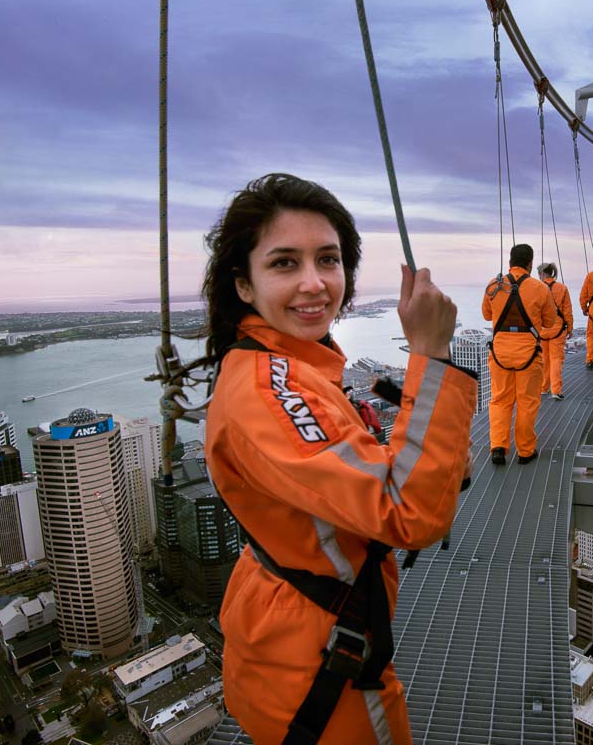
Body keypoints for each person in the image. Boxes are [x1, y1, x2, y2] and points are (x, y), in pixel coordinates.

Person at [203, 174, 477, 744]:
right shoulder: (268, 391)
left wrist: (433, 457)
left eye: (327, 259)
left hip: (299, 636)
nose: (313, 283)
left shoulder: (297, 368)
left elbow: (344, 478)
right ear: (244, 286)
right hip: (318, 667)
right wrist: (431, 354)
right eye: (283, 263)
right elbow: (410, 515)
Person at [482, 243, 558, 465]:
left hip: (500, 354)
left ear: (509, 262)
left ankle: (498, 446)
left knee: (500, 401)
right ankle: (525, 451)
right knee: (527, 402)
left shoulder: (494, 285)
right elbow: (550, 321)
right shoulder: (540, 288)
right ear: (530, 263)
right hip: (528, 354)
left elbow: (487, 315)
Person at [536, 262, 573, 400]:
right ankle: (556, 390)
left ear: (542, 273)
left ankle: (543, 387)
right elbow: (567, 310)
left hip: (542, 329)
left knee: (544, 360)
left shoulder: (537, 288)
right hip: (557, 328)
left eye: (539, 274)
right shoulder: (562, 288)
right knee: (556, 359)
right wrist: (569, 327)